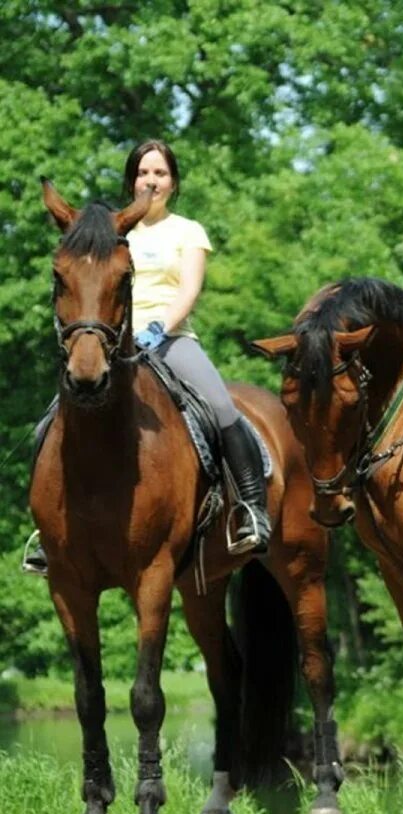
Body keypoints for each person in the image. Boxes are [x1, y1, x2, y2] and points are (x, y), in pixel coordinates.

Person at [23, 139, 269, 575]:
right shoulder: (115, 233)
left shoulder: (187, 231)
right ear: (132, 180)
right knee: (52, 420)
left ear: (173, 182)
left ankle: (250, 508)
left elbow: (189, 289)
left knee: (221, 407)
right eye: (143, 173)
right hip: (112, 343)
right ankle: (49, 528)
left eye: (160, 173)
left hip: (172, 339)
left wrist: (160, 328)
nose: (150, 181)